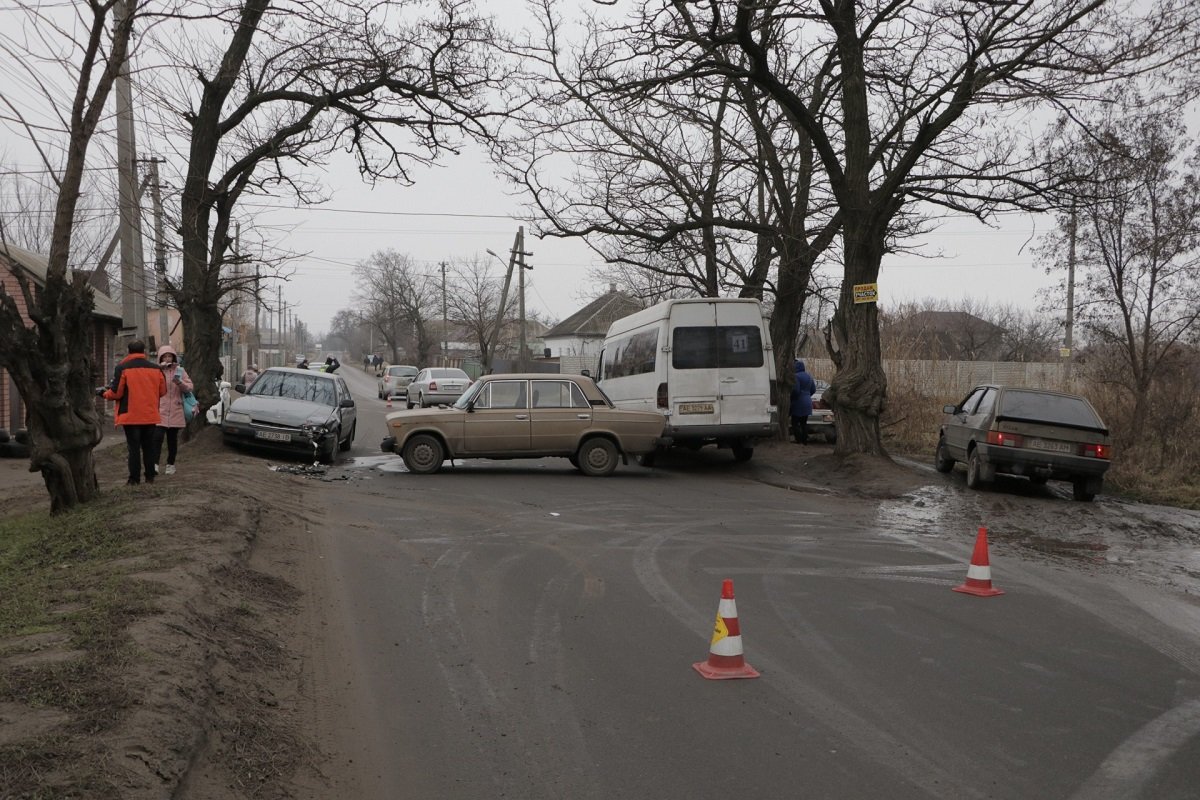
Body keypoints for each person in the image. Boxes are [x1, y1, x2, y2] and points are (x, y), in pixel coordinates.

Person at [100, 340, 166, 485]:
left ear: (128, 351)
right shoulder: (156, 369)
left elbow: (116, 393)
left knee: (134, 449)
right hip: (150, 415)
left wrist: (104, 394)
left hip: (131, 416)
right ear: (144, 352)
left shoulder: (122, 368)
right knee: (149, 447)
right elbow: (162, 391)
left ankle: (134, 479)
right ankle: (150, 477)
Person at [153, 344, 194, 476]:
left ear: (174, 357)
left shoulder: (180, 371)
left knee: (172, 440)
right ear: (160, 358)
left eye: (170, 356)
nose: (167, 358)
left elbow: (189, 387)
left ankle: (171, 465)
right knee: (157, 438)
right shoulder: (156, 371)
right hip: (161, 409)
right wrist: (158, 370)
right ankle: (154, 464)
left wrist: (179, 383)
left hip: (176, 409)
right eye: (164, 356)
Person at [790, 359, 817, 445]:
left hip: (798, 402)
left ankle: (799, 440)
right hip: (808, 402)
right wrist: (807, 395)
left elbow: (796, 390)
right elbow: (813, 389)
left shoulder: (796, 376)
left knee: (794, 423)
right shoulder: (809, 376)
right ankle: (805, 441)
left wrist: (791, 398)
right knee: (804, 423)